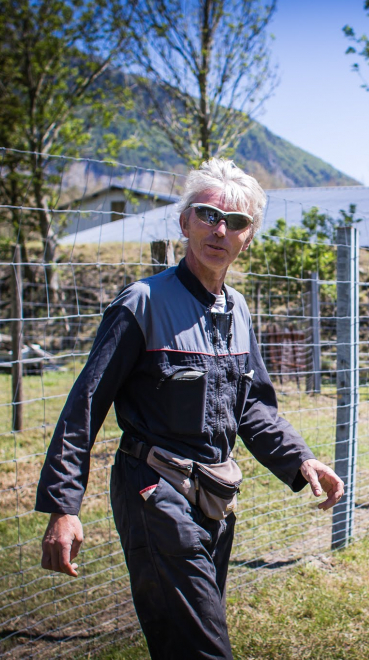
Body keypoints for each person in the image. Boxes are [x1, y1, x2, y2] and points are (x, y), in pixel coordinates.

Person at [35, 158, 344, 659]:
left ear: (250, 237)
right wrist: (63, 506)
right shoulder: (142, 303)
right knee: (204, 648)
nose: (220, 230)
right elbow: (84, 406)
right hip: (154, 492)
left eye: (236, 222)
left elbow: (254, 408)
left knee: (185, 639)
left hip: (216, 497)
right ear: (184, 223)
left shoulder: (238, 310)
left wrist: (301, 459)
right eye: (207, 215)